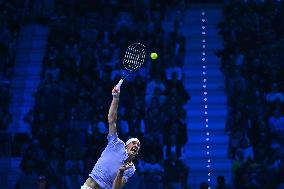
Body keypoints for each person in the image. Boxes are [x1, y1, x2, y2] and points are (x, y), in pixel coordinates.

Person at [81, 86, 141, 189]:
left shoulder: (131, 169)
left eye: (138, 145)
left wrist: (121, 172)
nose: (136, 145)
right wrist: (116, 98)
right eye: (134, 142)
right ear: (126, 145)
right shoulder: (116, 143)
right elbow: (112, 120)